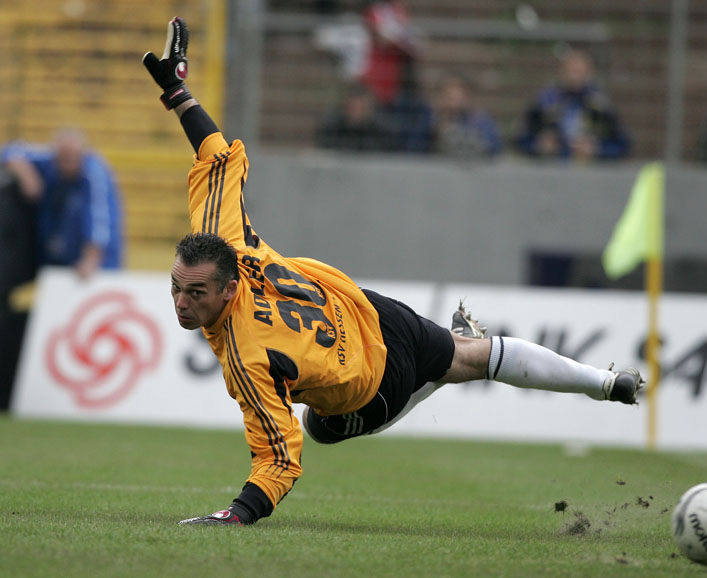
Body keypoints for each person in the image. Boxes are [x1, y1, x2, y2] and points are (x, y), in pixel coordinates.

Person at [143, 17, 643, 526]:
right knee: (473, 354)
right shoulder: (222, 238)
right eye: (176, 288)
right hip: (372, 311)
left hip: (378, 384)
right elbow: (217, 153)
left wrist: (237, 515)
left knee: (319, 427)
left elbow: (279, 460)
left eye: (196, 293)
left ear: (230, 288)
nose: (182, 302)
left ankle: (439, 375)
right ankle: (605, 382)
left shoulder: (248, 357)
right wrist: (177, 90)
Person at [0, 128, 123, 277]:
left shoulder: (95, 174)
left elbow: (100, 220)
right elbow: (11, 151)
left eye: (72, 157)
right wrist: (25, 173)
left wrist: (91, 258)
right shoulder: (49, 160)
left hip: (94, 263)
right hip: (58, 257)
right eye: (62, 158)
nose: (66, 163)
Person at [516, 49, 630, 162]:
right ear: (561, 72)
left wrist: (598, 149)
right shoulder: (544, 102)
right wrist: (538, 145)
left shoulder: (602, 106)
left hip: (591, 170)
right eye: (569, 71)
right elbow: (520, 139)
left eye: (579, 72)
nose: (573, 77)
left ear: (590, 74)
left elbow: (623, 145)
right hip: (551, 168)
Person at [433, 73, 502, 158]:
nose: (454, 99)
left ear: (467, 95)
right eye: (449, 94)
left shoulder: (482, 121)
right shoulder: (433, 120)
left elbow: (493, 148)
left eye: (458, 94)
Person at [315, 83, 395, 152]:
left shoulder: (382, 132)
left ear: (370, 108)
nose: (357, 113)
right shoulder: (331, 129)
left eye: (362, 108)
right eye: (353, 108)